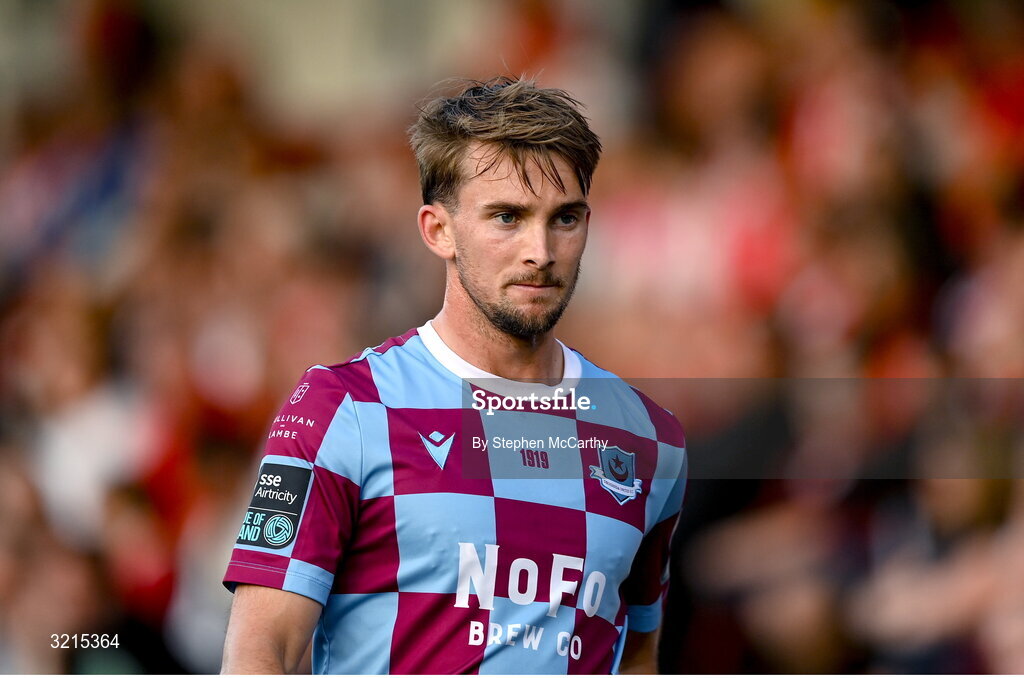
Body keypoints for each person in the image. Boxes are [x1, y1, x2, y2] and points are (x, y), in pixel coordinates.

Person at [221, 76, 687, 674]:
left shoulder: (651, 440)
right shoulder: (342, 409)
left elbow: (637, 653)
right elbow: (262, 651)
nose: (540, 251)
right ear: (438, 230)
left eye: (564, 218)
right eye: (507, 217)